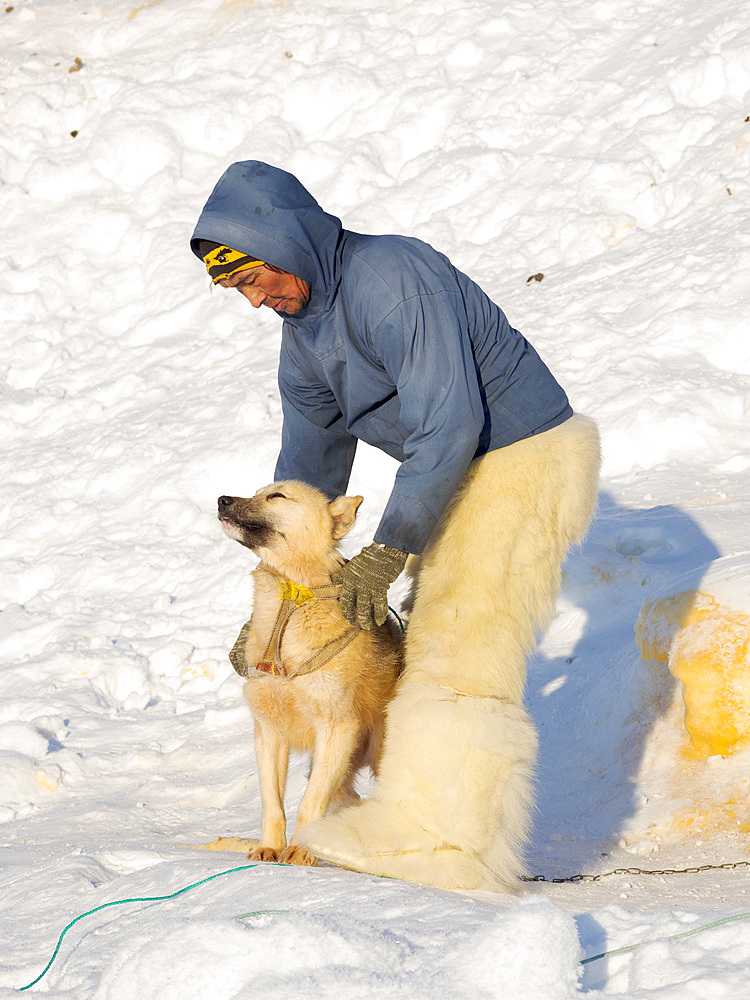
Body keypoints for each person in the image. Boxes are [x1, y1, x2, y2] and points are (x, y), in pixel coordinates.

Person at [192, 160, 601, 891]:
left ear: (286, 243)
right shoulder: (307, 336)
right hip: (467, 474)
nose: (254, 301)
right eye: (238, 291)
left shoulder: (392, 278)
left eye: (253, 278)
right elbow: (307, 478)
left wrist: (388, 549)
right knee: (427, 653)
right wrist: (282, 596)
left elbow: (449, 424)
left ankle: (452, 848)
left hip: (521, 457)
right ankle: (413, 818)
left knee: (462, 654)